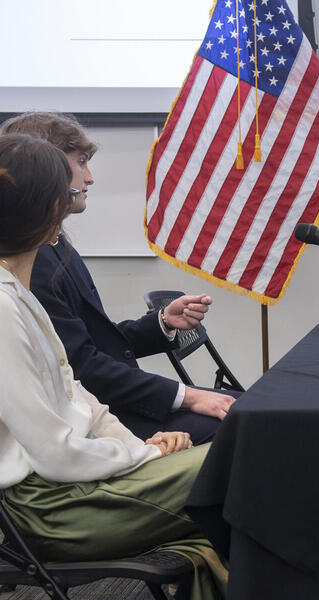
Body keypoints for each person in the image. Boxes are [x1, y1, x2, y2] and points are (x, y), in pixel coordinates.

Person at [0, 133, 226, 599]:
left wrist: (139, 446)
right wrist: (145, 456)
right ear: (47, 214)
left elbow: (78, 396)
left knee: (247, 465)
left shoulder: (17, 291)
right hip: (54, 509)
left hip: (79, 485)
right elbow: (54, 450)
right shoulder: (4, 306)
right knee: (250, 460)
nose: (83, 185)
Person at [0, 112, 236, 443]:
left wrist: (162, 323)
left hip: (110, 409)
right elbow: (82, 370)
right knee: (243, 423)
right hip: (100, 423)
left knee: (248, 413)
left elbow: (90, 343)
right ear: (47, 169)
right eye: (81, 162)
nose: (90, 177)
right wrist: (189, 396)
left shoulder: (53, 245)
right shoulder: (32, 260)